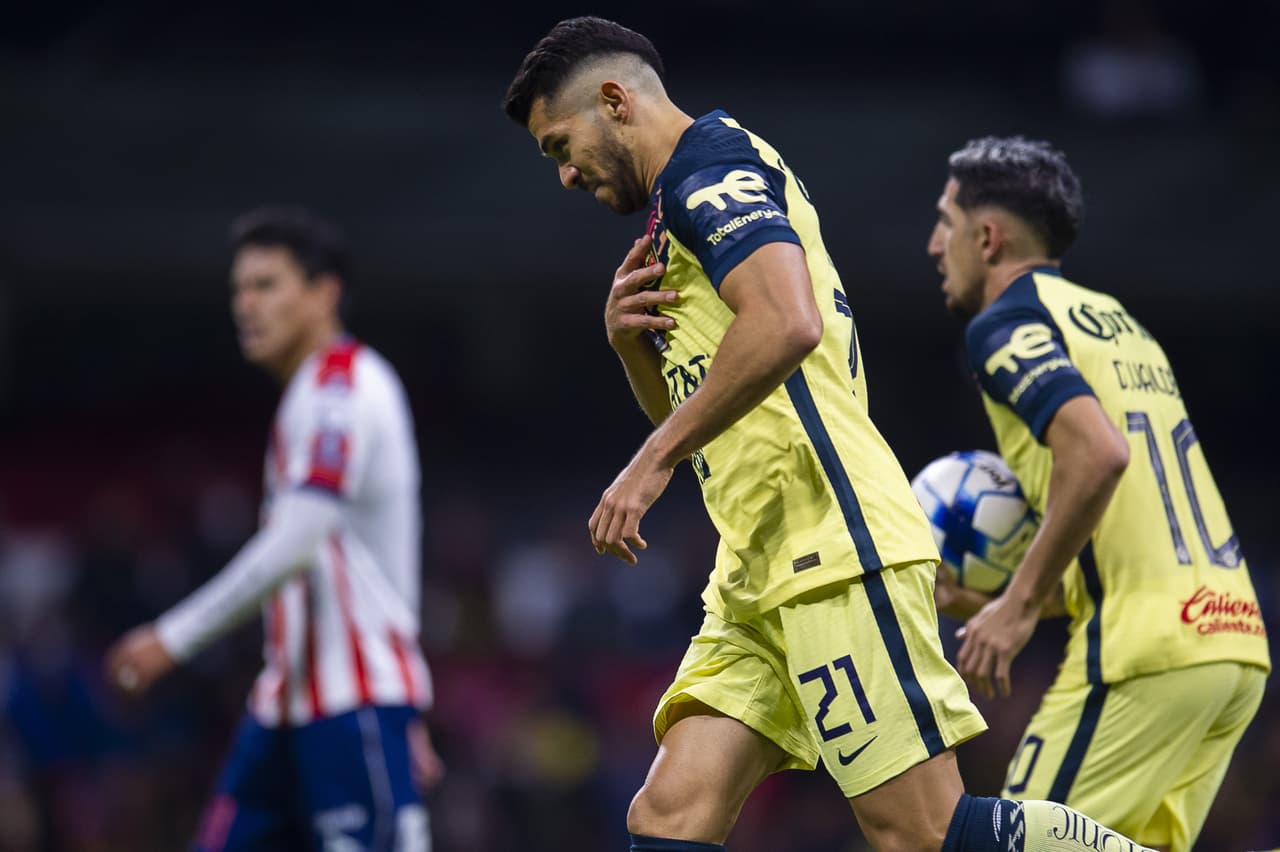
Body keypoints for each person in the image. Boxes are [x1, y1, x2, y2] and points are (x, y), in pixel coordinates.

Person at [504, 17, 1161, 852]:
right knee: (669, 816)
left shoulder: (713, 169)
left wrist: (648, 464)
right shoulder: (676, 219)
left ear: (613, 100)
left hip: (834, 545)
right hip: (757, 569)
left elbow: (787, 324)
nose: (564, 173)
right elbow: (704, 414)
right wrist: (631, 347)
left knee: (920, 833)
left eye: (561, 144)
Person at [926, 136, 1269, 852]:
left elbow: (1099, 457)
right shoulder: (1123, 327)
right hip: (1232, 641)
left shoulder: (1007, 325)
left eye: (945, 221)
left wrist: (1015, 612)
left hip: (1142, 651)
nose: (934, 244)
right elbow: (1130, 529)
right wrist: (1013, 595)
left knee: (1014, 843)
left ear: (987, 237)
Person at [105, 206, 443, 851]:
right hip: (286, 707)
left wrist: (170, 640)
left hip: (351, 708)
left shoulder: (342, 392)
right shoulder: (311, 395)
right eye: (238, 288)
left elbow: (299, 541)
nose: (245, 304)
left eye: (266, 285)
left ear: (325, 293)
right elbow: (379, 560)